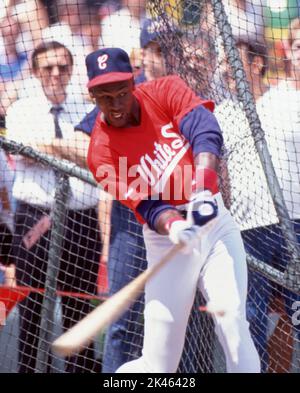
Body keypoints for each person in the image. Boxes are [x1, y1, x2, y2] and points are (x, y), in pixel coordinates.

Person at [85, 47, 260, 373]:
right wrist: (177, 227)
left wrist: (203, 189)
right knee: (159, 365)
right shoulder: (100, 153)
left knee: (232, 318)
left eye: (121, 93)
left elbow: (205, 129)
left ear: (133, 83)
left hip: (213, 221)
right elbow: (148, 205)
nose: (116, 104)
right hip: (166, 241)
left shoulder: (165, 89)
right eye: (105, 97)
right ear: (92, 94)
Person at [5, 40, 101, 373]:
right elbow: (21, 154)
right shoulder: (22, 110)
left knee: (80, 309)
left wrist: (45, 149)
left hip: (82, 222)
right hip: (36, 220)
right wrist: (70, 149)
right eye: (47, 67)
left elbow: (94, 157)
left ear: (72, 69)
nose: (56, 74)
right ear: (34, 72)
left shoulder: (87, 108)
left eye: (62, 66)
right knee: (32, 306)